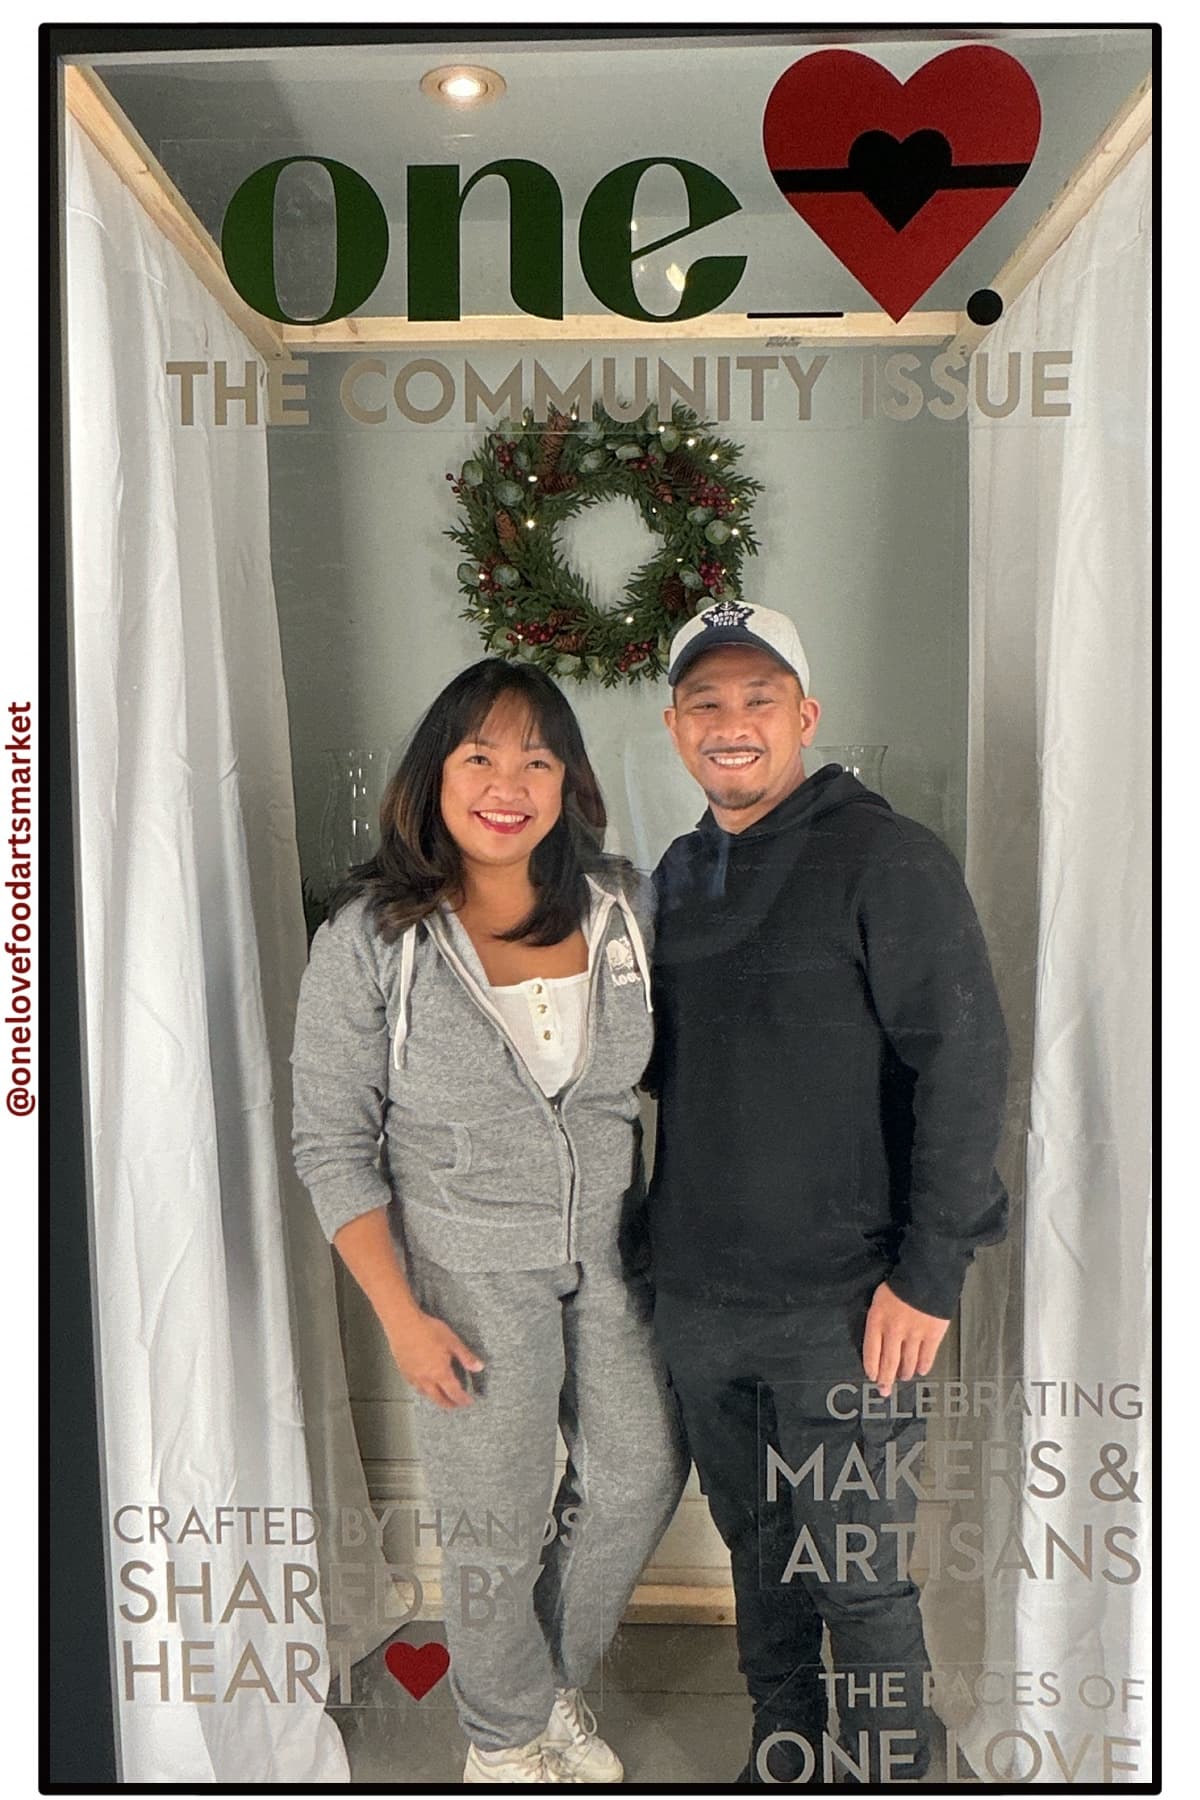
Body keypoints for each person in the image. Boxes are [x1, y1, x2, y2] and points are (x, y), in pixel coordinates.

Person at [291, 658, 688, 1786]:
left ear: (569, 782)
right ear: (435, 778)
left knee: (640, 1474)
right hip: (466, 1273)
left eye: (538, 757)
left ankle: (518, 1699)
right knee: (494, 1521)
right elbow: (330, 1141)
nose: (508, 781)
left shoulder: (623, 906)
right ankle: (506, 1744)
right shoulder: (369, 938)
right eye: (481, 756)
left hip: (617, 1258)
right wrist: (403, 1318)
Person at [643, 599, 1010, 1786]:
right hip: (700, 1300)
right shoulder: (675, 878)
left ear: (805, 715)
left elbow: (964, 1064)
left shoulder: (886, 857)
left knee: (858, 1574)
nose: (732, 723)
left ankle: (906, 1775)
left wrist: (928, 1273)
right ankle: (785, 1760)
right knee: (758, 1554)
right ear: (674, 725)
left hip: (850, 1308)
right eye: (707, 701)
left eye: (759, 699)